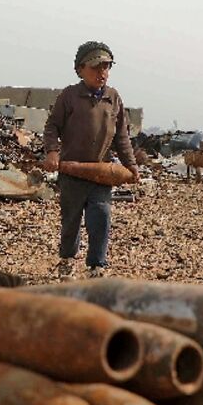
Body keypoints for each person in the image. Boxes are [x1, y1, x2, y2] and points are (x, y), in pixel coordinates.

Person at [41, 41, 139, 279]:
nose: (101, 72)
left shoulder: (113, 98)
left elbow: (122, 136)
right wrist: (52, 151)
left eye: (106, 67)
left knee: (101, 215)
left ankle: (97, 265)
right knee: (71, 220)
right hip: (72, 175)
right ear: (80, 69)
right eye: (96, 67)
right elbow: (52, 126)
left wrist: (131, 165)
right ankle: (66, 259)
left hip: (101, 173)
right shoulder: (69, 96)